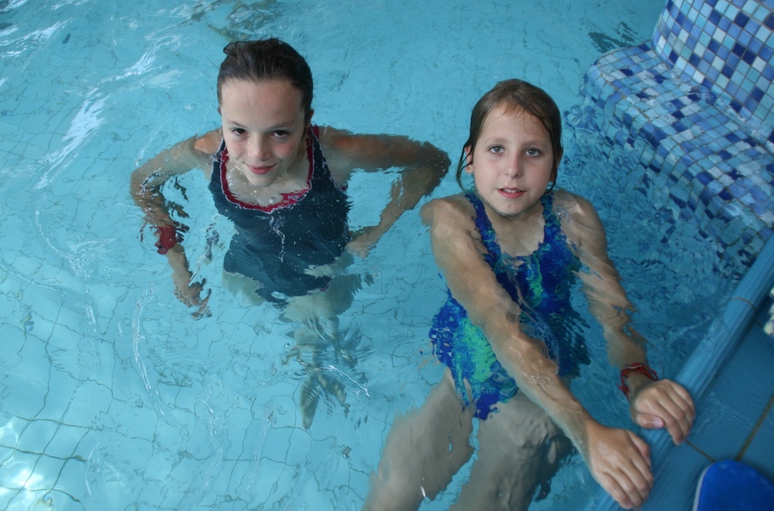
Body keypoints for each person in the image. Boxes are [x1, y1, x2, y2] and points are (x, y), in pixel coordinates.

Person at [363, 79, 695, 510]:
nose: (513, 169)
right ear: (470, 158)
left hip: (542, 395)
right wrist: (586, 430)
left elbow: (613, 313)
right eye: (496, 149)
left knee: (503, 472)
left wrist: (638, 381)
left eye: (533, 152)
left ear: (555, 164)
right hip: (465, 370)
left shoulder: (575, 219)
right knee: (392, 493)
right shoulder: (451, 219)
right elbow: (497, 321)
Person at [130, 38, 450, 427]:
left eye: (280, 132)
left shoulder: (338, 153)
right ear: (221, 116)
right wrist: (177, 263)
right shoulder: (204, 153)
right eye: (239, 130)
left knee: (317, 335)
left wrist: (380, 229)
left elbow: (432, 162)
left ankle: (316, 370)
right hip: (243, 266)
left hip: (323, 275)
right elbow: (142, 184)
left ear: (306, 119)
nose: (257, 153)